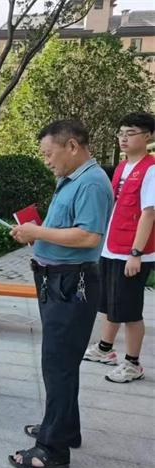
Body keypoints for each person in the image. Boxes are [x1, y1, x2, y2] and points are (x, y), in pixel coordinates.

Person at [9, 120, 113, 468]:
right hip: (57, 280)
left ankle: (52, 450)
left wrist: (37, 232)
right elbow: (65, 230)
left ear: (72, 146)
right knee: (62, 362)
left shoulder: (92, 183)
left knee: (58, 364)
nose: (47, 161)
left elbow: (88, 237)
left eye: (48, 153)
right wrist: (34, 233)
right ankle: (65, 429)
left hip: (72, 283)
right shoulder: (71, 179)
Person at [84, 112, 155, 383]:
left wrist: (136, 253)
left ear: (148, 136)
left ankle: (133, 363)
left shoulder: (151, 169)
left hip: (132, 252)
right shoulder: (123, 166)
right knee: (109, 302)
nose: (123, 138)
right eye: (121, 133)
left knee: (129, 310)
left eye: (131, 133)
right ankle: (105, 349)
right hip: (112, 246)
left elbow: (149, 213)